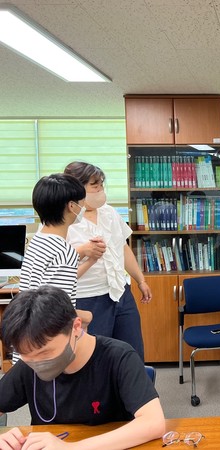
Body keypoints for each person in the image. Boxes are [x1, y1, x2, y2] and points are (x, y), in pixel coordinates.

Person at [0, 285, 165, 449]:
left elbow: (153, 422)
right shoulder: (28, 365)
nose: (37, 363)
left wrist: (71, 448)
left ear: (76, 327)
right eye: (26, 355)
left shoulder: (119, 357)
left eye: (45, 353)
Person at [64, 161, 151, 360]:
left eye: (102, 184)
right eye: (95, 185)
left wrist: (140, 279)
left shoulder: (109, 213)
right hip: (88, 299)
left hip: (120, 292)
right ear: (77, 187)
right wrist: (84, 251)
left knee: (132, 354)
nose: (101, 189)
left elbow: (122, 247)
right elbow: (58, 261)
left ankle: (134, 392)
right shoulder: (64, 220)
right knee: (96, 360)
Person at [17, 174, 96, 356]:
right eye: (81, 202)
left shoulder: (38, 241)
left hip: (27, 340)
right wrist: (85, 316)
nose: (83, 207)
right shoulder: (63, 250)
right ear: (71, 206)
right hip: (48, 346)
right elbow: (54, 312)